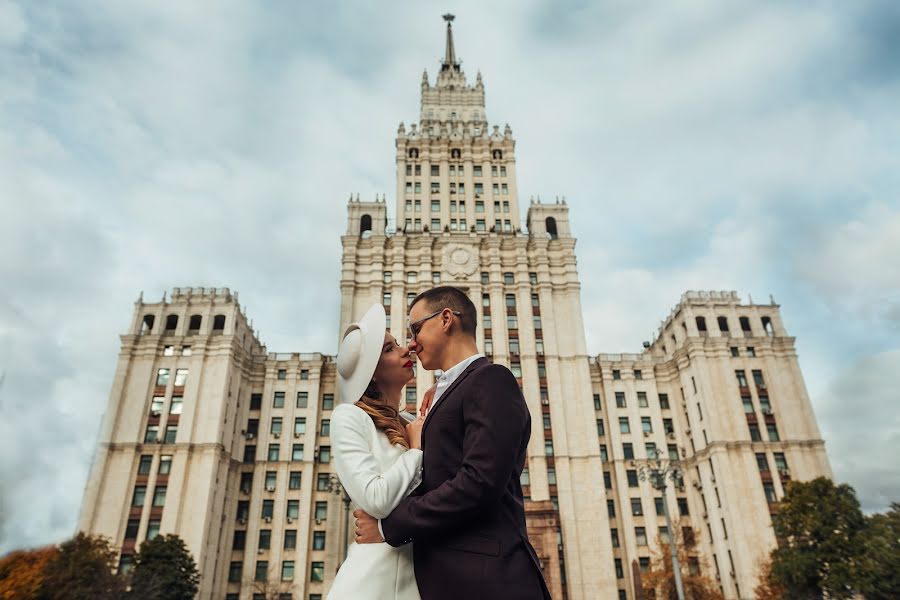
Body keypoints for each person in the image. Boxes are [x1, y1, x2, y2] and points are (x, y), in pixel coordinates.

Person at [354, 286, 552, 600]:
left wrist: (387, 527)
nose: (411, 343)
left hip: (487, 582)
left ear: (446, 319)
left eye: (416, 329)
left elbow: (479, 482)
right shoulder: (447, 392)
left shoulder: (492, 379)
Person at [327, 303, 426, 600]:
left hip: (422, 579)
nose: (404, 350)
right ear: (371, 374)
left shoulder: (413, 423)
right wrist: (417, 449)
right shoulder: (349, 417)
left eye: (397, 343)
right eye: (388, 349)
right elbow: (375, 499)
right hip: (371, 584)